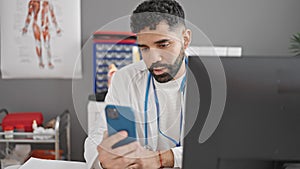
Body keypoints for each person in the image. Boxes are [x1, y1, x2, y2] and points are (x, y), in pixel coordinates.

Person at [84, 0, 192, 168]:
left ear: (185, 40)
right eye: (144, 48)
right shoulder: (124, 79)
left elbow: (218, 145)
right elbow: (97, 136)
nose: (153, 58)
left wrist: (161, 159)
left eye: (163, 45)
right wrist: (103, 161)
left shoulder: (210, 81)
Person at [22, 0, 61, 69]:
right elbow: (29, 15)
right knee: (38, 44)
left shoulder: (48, 3)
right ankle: (40, 61)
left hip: (45, 25)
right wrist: (26, 27)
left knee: (47, 44)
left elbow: (52, 15)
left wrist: (57, 28)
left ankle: (49, 61)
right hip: (36, 25)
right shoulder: (33, 2)